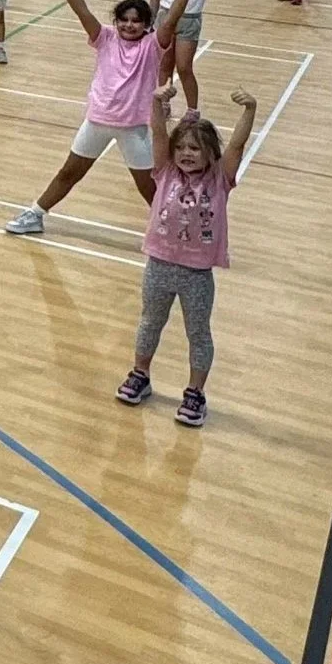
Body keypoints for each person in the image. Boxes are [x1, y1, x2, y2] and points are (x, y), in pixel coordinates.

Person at [6, 0, 198, 234]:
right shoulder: (105, 37)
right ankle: (35, 214)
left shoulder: (153, 45)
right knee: (68, 173)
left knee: (147, 185)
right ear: (116, 21)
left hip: (133, 128)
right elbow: (82, 11)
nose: (129, 25)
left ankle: (173, 225)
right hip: (96, 122)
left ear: (146, 24)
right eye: (124, 19)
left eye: (136, 21)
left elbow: (171, 21)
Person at [120, 82, 257, 427]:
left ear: (210, 153)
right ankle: (140, 374)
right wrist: (155, 101)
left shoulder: (219, 179)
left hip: (196, 274)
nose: (186, 153)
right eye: (181, 147)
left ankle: (195, 393)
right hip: (159, 266)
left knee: (198, 332)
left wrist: (249, 110)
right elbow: (157, 132)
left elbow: (238, 144)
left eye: (194, 148)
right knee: (150, 322)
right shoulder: (165, 171)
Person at [139, 0, 235, 106]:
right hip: (166, 19)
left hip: (189, 20)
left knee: (184, 68)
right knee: (165, 65)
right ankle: (164, 104)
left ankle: (192, 110)